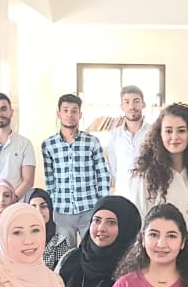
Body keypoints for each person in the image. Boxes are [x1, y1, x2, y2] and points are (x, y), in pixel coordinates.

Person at [127, 103, 188, 253]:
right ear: (159, 134)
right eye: (168, 131)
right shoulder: (146, 175)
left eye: (181, 131)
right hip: (162, 252)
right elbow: (139, 221)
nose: (174, 137)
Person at [42, 94, 111, 244]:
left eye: (74, 111)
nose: (70, 115)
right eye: (65, 110)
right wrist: (53, 207)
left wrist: (102, 204)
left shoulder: (92, 142)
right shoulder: (48, 145)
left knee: (92, 248)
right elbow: (49, 180)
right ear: (58, 114)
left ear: (80, 114)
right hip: (62, 210)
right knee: (65, 253)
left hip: (89, 207)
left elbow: (103, 174)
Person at [107, 85, 150, 197]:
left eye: (136, 101)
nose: (131, 106)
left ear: (143, 104)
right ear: (121, 106)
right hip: (123, 194)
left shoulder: (153, 133)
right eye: (127, 102)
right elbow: (113, 169)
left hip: (148, 195)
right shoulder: (114, 136)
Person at [25, 189, 74, 271]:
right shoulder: (19, 237)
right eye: (33, 207)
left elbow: (62, 272)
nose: (39, 211)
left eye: (43, 206)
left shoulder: (59, 241)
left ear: (50, 209)